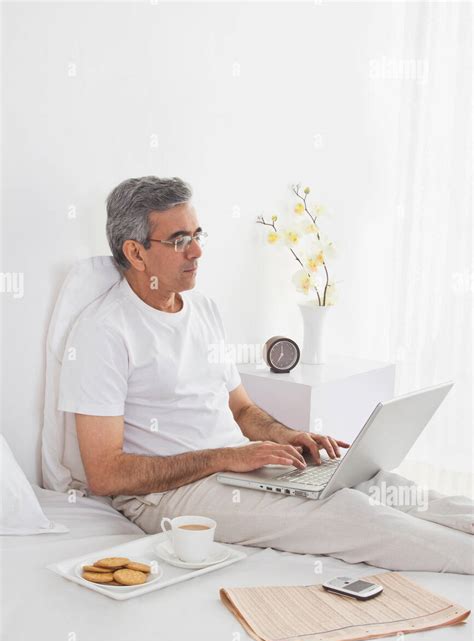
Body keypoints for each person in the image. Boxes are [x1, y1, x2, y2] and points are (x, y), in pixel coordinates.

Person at [58, 176, 474, 575]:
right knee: (351, 514)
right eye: (179, 241)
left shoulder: (202, 310)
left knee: (380, 484)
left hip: (234, 466)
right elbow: (105, 474)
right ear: (135, 253)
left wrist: (285, 435)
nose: (197, 252)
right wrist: (228, 457)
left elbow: (240, 409)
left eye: (197, 235)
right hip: (164, 496)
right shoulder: (104, 332)